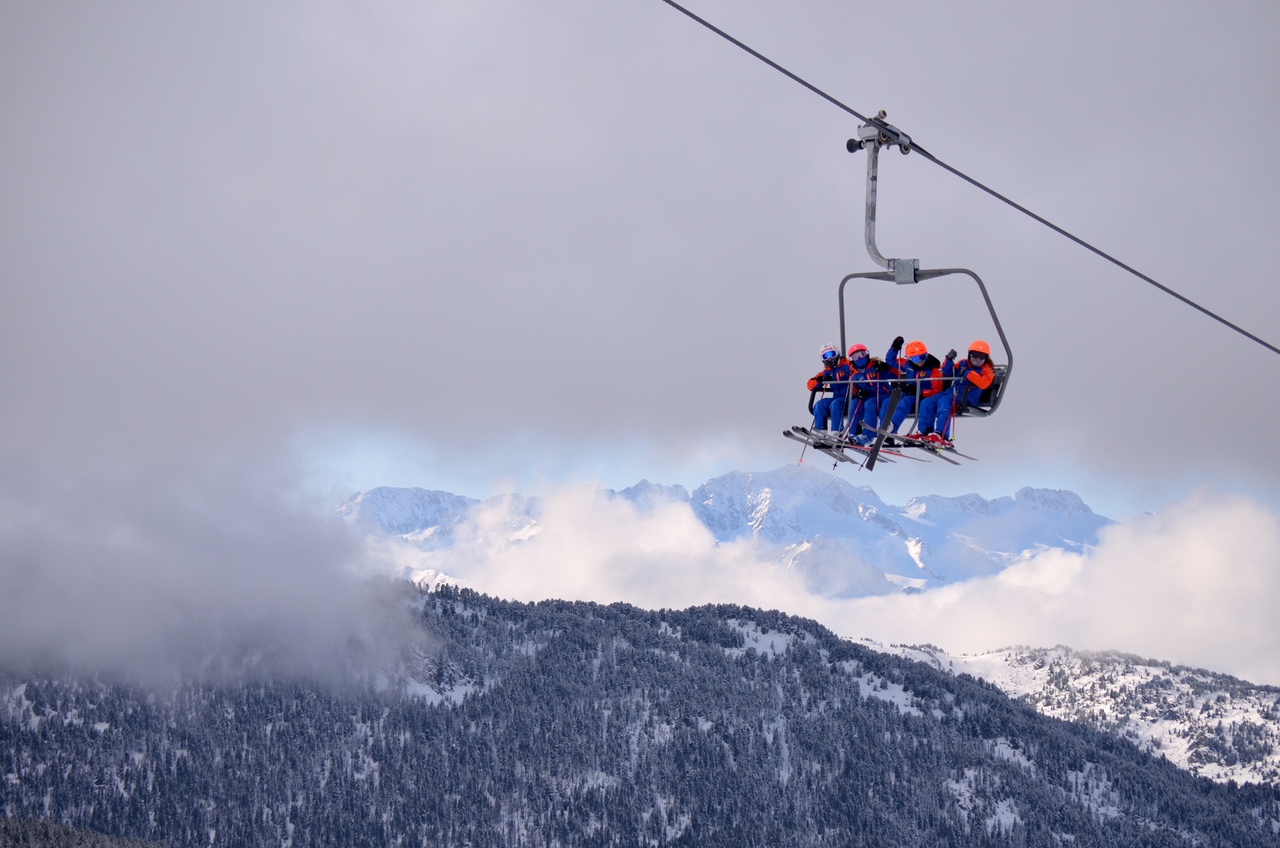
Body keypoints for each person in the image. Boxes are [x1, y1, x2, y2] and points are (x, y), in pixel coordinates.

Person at [885, 336, 954, 443]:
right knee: (905, 401)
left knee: (925, 404)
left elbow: (936, 390)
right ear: (910, 359)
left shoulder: (933, 371)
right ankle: (892, 427)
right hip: (914, 396)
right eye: (916, 359)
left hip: (927, 397)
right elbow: (890, 361)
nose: (920, 361)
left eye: (923, 357)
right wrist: (895, 348)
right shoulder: (907, 365)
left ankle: (925, 431)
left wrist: (920, 391)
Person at [845, 343, 897, 445]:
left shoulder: (876, 366)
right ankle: (852, 433)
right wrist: (858, 393)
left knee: (869, 403)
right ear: (851, 359)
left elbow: (896, 374)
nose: (859, 358)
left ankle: (869, 435)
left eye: (861, 354)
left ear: (867, 354)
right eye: (855, 357)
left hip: (883, 394)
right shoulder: (854, 374)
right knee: (855, 403)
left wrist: (886, 367)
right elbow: (853, 389)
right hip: (868, 397)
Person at [807, 344, 852, 435]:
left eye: (832, 354)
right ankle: (821, 431)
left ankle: (837, 431)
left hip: (850, 397)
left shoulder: (848, 365)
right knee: (820, 405)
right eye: (826, 356)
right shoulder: (826, 371)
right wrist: (821, 380)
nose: (830, 358)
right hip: (837, 397)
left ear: (837, 353)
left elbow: (858, 374)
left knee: (835, 404)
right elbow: (810, 385)